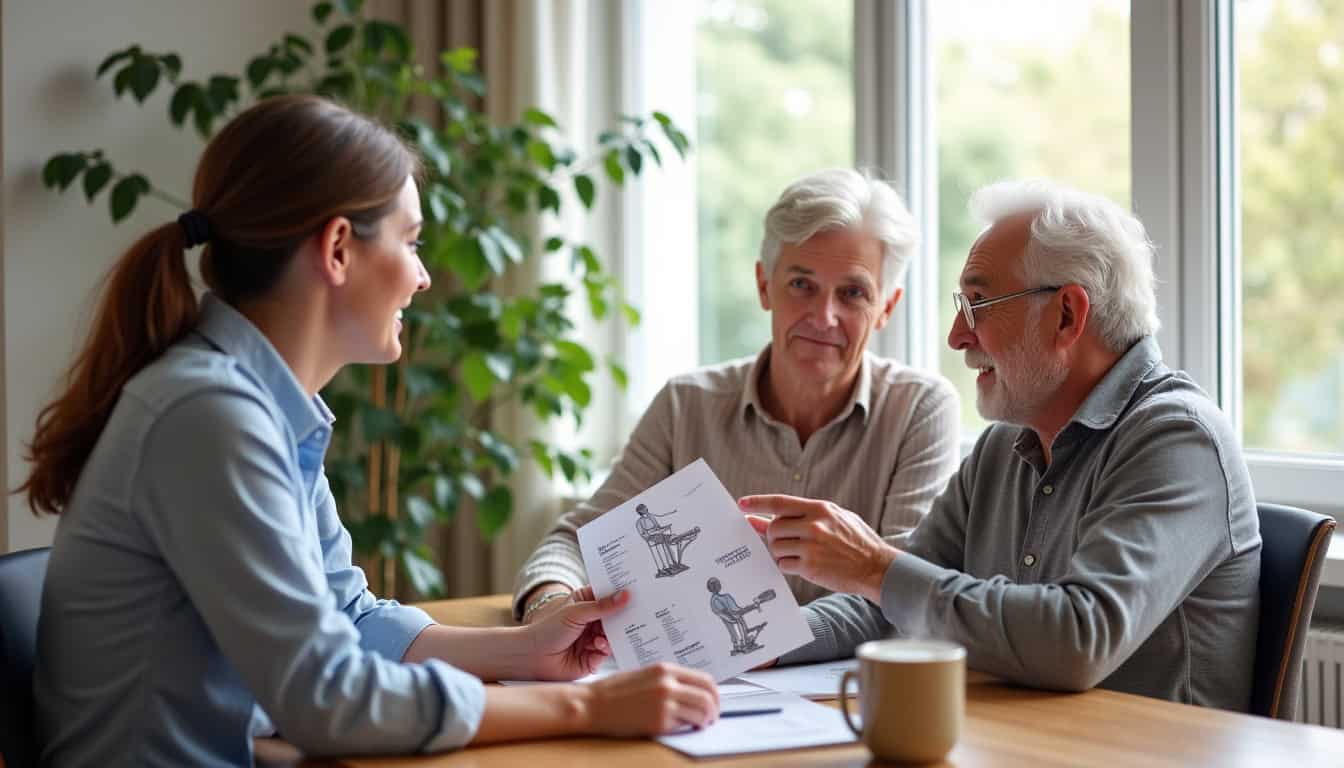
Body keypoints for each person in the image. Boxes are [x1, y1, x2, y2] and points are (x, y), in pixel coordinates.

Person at [21, 95, 718, 767]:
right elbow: (328, 699)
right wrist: (589, 711)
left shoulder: (257, 403)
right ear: (337, 249)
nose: (422, 278)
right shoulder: (211, 416)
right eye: (412, 242)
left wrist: (527, 648)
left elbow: (347, 617)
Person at [742, 180, 1261, 711]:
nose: (956, 337)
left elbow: (1077, 640)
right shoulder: (1003, 446)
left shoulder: (1178, 439)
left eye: (979, 304)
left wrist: (873, 565)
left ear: (1066, 315)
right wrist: (757, 643)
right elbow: (890, 602)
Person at [514, 168, 961, 625]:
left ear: (886, 306)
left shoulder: (920, 410)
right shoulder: (684, 405)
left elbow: (905, 586)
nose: (824, 316)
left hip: (855, 691)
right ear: (764, 285)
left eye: (852, 293)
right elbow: (579, 544)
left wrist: (767, 641)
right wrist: (551, 608)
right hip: (701, 685)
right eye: (802, 285)